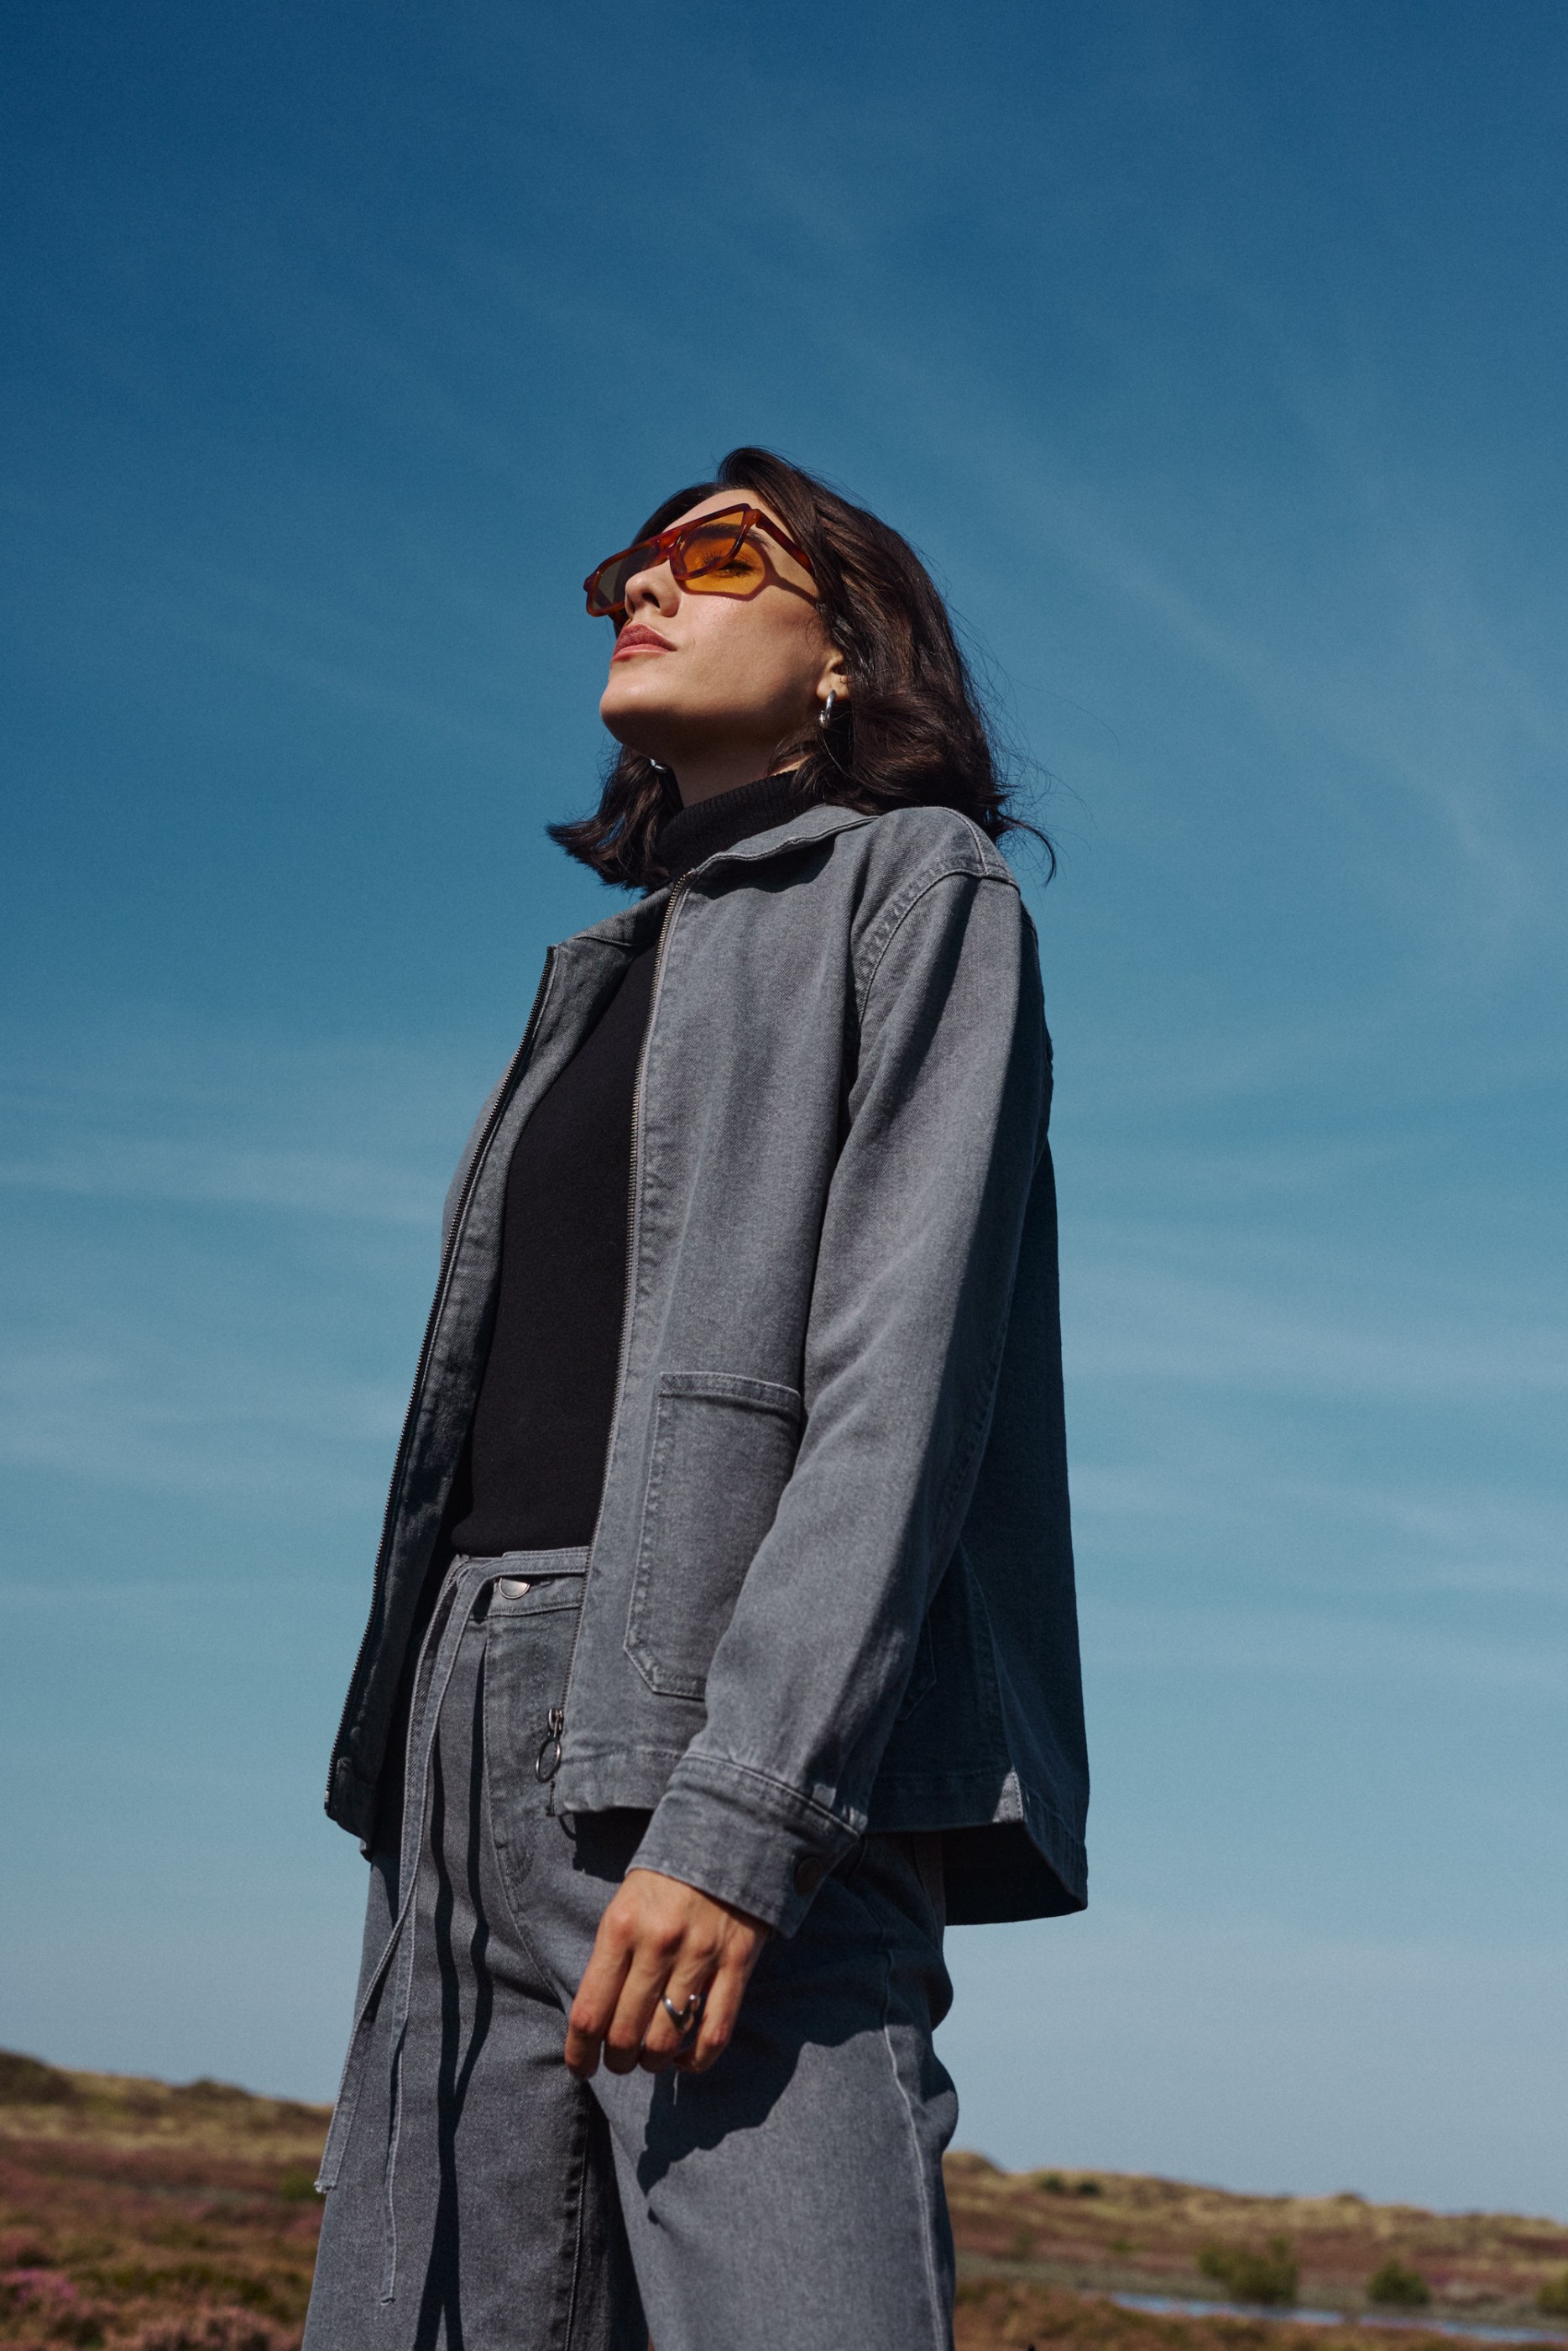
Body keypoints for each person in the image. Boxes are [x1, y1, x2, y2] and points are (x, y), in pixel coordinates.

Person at [303, 446, 1088, 2351]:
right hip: (467, 1739)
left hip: (723, 1739)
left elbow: (899, 1384)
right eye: (624, 571)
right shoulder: (596, 967)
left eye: (713, 557)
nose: (644, 587)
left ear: (846, 648)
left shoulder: (923, 893)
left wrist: (741, 1816)